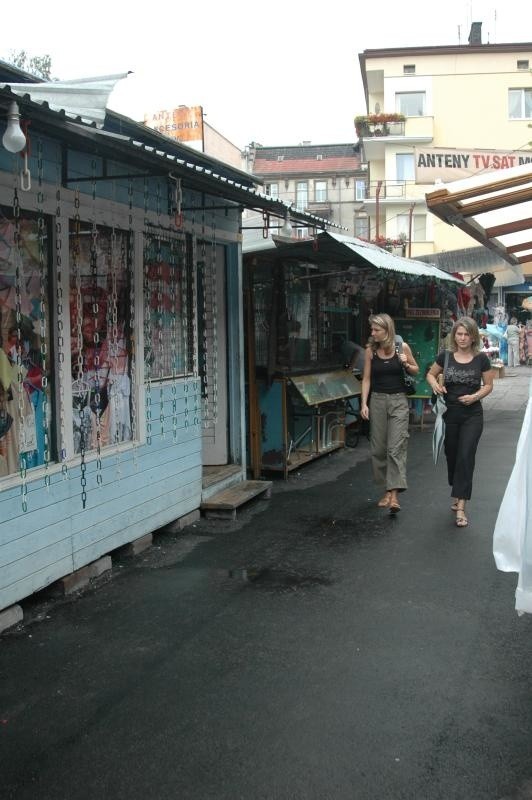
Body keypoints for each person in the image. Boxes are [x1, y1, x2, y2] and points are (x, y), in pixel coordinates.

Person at [427, 316, 493, 528]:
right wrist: (435, 386)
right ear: (454, 335)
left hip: (472, 415)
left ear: (473, 336)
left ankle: (461, 507)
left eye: (466, 334)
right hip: (450, 415)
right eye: (459, 334)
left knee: (466, 456)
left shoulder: (481, 359)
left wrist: (475, 397)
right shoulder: (445, 356)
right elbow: (430, 374)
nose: (462, 338)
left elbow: (488, 385)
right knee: (452, 455)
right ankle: (457, 489)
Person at [360, 313, 419, 513]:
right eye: (372, 329)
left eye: (376, 330)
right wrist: (363, 404)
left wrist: (406, 362)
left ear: (387, 330)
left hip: (398, 401)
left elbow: (415, 370)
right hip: (376, 400)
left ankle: (394, 496)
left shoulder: (401, 347)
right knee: (378, 448)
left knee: (396, 447)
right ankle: (386, 490)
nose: (372, 333)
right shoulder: (370, 351)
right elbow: (366, 379)